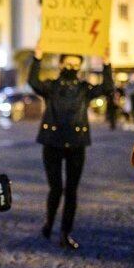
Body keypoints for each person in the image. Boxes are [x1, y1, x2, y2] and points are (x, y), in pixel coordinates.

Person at [28, 43, 112, 249]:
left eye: (76, 64)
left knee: (71, 190)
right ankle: (49, 222)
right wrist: (37, 57)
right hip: (52, 142)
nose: (72, 67)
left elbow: (108, 88)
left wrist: (107, 63)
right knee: (55, 188)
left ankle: (65, 232)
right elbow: (33, 82)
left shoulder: (85, 88)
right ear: (60, 64)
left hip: (76, 144)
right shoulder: (51, 87)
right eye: (68, 63)